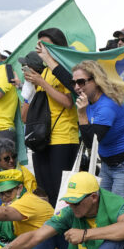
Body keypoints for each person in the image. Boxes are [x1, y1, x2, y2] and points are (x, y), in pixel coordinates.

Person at [74, 60, 124, 204]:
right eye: (74, 82)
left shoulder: (106, 106)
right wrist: (47, 57)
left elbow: (91, 143)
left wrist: (81, 114)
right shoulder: (88, 96)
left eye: (81, 82)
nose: (77, 87)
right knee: (101, 207)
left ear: (95, 80)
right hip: (109, 163)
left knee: (115, 209)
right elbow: (65, 78)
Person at [29, 28, 81, 206]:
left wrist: (42, 83)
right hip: (43, 138)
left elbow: (68, 102)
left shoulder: (66, 71)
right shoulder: (43, 72)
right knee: (46, 190)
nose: (43, 50)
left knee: (62, 191)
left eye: (47, 46)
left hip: (63, 137)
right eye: (40, 45)